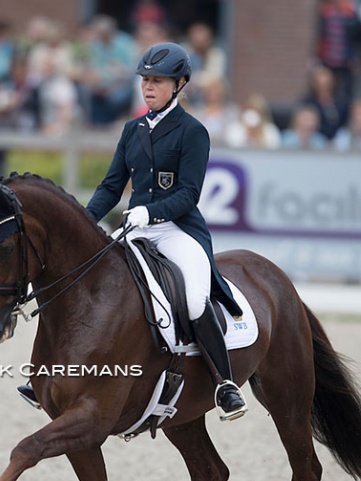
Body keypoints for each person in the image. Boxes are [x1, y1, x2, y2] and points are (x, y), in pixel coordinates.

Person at [88, 42, 247, 420]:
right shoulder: (132, 130)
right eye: (145, 80)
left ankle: (225, 384)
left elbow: (189, 194)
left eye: (157, 81)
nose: (148, 88)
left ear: (179, 85)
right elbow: (112, 187)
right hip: (136, 228)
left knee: (194, 300)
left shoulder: (193, 132)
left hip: (178, 230)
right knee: (88, 278)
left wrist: (150, 212)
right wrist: (84, 219)